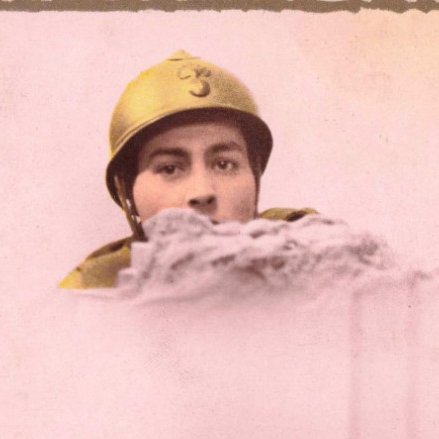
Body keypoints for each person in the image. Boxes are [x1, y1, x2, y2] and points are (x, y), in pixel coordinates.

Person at [60, 52, 315, 289]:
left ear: (254, 174)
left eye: (224, 164)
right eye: (170, 169)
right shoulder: (90, 295)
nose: (202, 192)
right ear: (127, 191)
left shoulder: (308, 253)